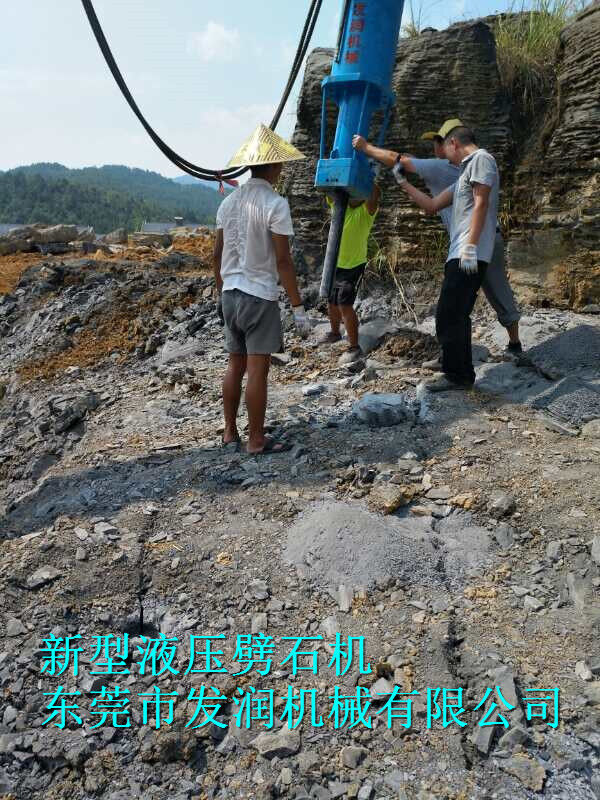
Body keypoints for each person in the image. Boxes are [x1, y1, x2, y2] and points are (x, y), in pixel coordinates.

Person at [353, 119, 522, 363]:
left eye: (436, 142)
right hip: (472, 244)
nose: (434, 148)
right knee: (467, 303)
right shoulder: (461, 172)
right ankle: (484, 353)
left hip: (472, 245)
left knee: (456, 309)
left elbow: (400, 160)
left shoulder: (451, 164)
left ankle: (458, 366)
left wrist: (365, 147)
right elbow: (432, 206)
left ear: (450, 143)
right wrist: (403, 183)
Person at [214, 123, 312, 453]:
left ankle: (230, 432)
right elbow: (283, 260)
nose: (281, 169)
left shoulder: (227, 204)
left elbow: (216, 255)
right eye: (279, 164)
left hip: (230, 294)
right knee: (257, 370)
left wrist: (221, 293)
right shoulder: (275, 204)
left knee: (234, 365)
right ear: (273, 166)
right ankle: (256, 439)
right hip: (258, 296)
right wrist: (298, 307)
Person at [320, 181, 381, 364]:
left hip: (354, 266)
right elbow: (328, 187)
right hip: (334, 262)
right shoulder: (339, 207)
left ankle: (354, 347)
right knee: (331, 300)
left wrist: (366, 175)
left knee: (344, 304)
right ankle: (335, 333)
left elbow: (375, 194)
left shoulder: (366, 212)